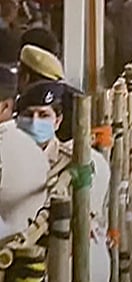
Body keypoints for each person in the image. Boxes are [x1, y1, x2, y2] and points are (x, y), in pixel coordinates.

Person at [16, 80, 111, 282]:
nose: (34, 122)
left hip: (61, 256)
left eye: (43, 115)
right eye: (28, 115)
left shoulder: (75, 162)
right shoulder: (8, 158)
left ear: (57, 121)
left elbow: (86, 219)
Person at [0, 66, 49, 241]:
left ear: (5, 106)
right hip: (30, 243)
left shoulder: (4, 147)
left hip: (8, 247)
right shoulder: (32, 148)